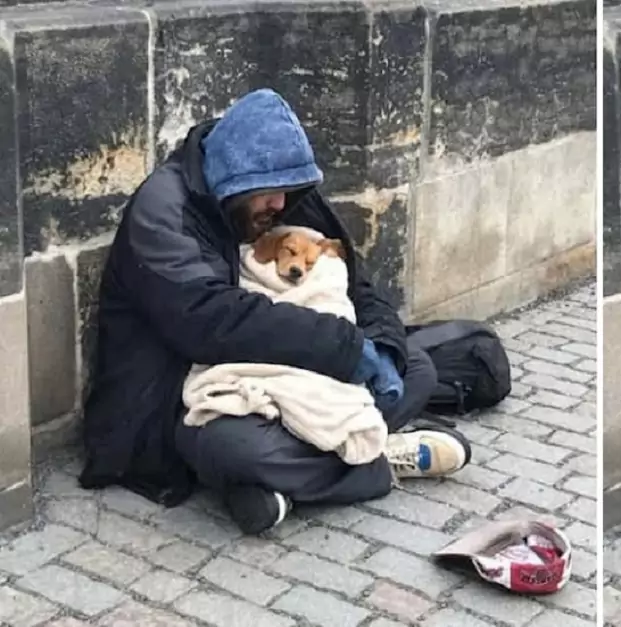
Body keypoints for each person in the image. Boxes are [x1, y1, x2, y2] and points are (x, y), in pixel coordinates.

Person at [78, 88, 471, 534]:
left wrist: (379, 347)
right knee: (235, 447)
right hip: (178, 395)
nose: (281, 206)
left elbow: (353, 280)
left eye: (288, 192)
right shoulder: (162, 209)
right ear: (233, 178)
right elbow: (210, 321)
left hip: (283, 372)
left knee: (414, 365)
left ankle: (280, 483)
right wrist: (342, 347)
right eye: (269, 194)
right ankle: (375, 462)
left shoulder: (284, 194)